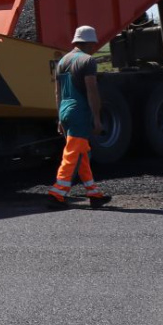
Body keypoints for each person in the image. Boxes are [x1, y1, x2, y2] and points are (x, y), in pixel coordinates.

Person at [48, 25, 111, 208]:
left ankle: (94, 194)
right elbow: (92, 90)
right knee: (73, 153)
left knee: (83, 152)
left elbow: (57, 92)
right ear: (90, 43)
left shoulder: (62, 61)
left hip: (66, 111)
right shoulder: (87, 61)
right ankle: (57, 194)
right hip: (79, 112)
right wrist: (97, 118)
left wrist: (60, 117)